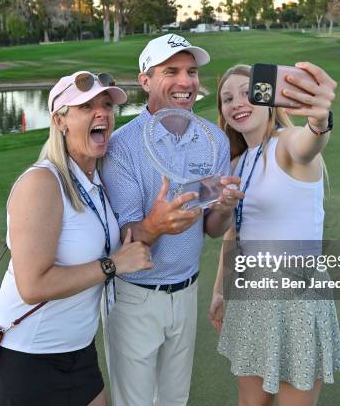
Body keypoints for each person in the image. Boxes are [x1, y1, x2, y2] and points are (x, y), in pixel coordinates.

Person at [0, 71, 153, 406]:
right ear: (60, 120)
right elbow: (33, 287)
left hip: (78, 351)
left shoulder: (93, 181)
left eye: (107, 105)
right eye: (87, 106)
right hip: (25, 358)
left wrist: (161, 221)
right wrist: (114, 264)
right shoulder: (42, 183)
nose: (103, 113)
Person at [101, 34, 245, 406]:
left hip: (186, 294)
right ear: (145, 80)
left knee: (174, 400)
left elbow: (212, 228)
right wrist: (156, 225)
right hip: (135, 297)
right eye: (171, 71)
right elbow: (125, 240)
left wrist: (225, 206)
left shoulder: (212, 140)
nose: (185, 81)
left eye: (192, 72)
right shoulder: (121, 147)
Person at [208, 63, 340, 406]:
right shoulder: (237, 164)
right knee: (250, 402)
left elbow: (310, 143)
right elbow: (233, 236)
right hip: (249, 294)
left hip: (297, 297)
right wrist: (220, 291)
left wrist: (318, 120)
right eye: (227, 98)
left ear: (269, 99)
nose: (237, 102)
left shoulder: (287, 145)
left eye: (247, 92)